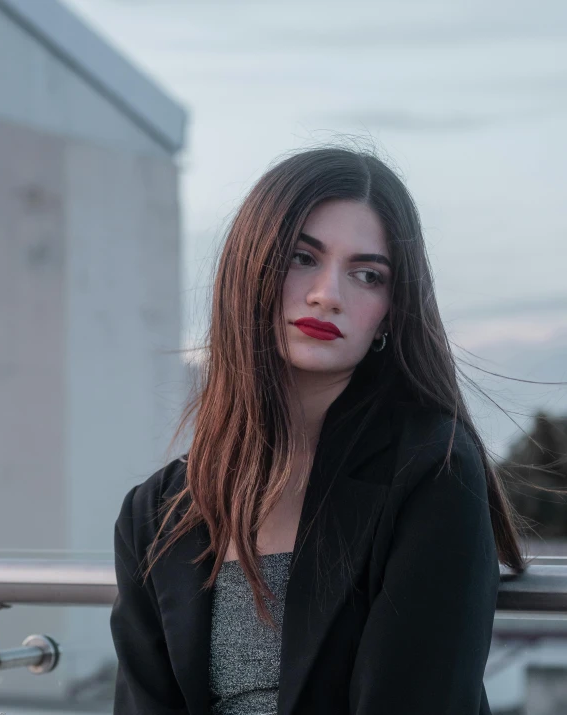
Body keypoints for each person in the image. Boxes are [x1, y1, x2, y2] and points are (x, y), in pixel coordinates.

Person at [110, 145, 528, 715]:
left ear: (390, 309)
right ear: (248, 271)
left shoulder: (432, 468)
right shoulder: (155, 514)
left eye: (366, 274)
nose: (327, 294)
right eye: (302, 258)